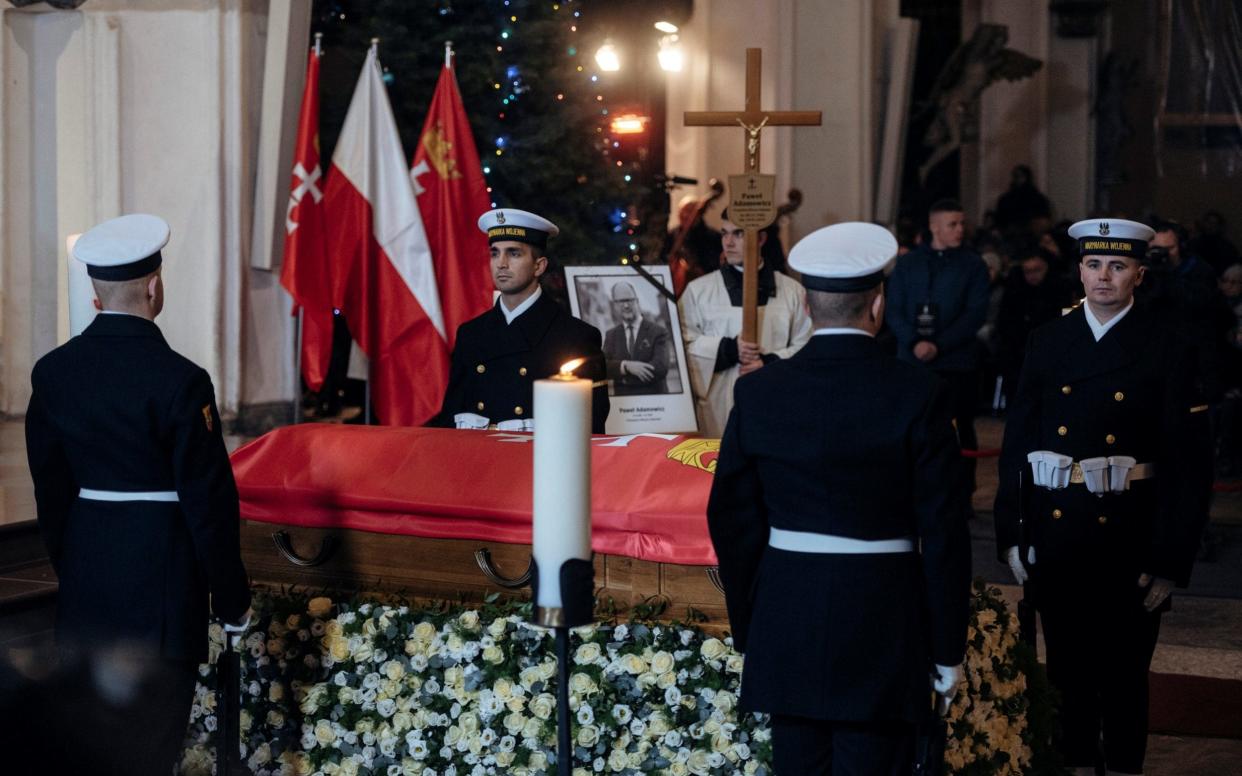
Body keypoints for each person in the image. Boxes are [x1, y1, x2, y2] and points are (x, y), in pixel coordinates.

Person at [708, 222, 970, 775]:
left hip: (787, 611)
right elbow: (944, 530)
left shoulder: (757, 393)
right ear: (878, 305)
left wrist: (751, 625)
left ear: (804, 304)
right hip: (883, 616)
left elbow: (732, 519)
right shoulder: (919, 392)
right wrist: (947, 647)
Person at [24, 214, 251, 775]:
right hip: (163, 590)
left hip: (87, 584)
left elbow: (50, 491)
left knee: (87, 749)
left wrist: (72, 564)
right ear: (154, 286)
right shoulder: (181, 379)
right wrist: (229, 596)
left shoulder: (53, 373)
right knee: (152, 748)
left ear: (96, 296)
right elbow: (208, 503)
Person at [994, 218, 1212, 776]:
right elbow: (1018, 444)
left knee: (1122, 678)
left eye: (1117, 266)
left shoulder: (1166, 343)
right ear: (1080, 269)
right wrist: (1015, 533)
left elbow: (1188, 465)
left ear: (1139, 273)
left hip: (1130, 541)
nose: (1103, 277)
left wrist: (1169, 560)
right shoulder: (1048, 339)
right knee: (1066, 674)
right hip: (1059, 535)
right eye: (1093, 264)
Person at [431, 208, 609, 433]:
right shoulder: (471, 334)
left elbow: (590, 430)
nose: (501, 263)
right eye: (495, 253)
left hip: (537, 466)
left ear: (539, 266)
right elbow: (449, 421)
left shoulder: (575, 337)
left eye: (514, 253)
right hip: (477, 462)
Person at [886, 199, 991, 516]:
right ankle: (911, 490)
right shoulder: (907, 264)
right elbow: (894, 308)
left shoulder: (973, 265)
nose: (960, 229)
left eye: (961, 224)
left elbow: (975, 314)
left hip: (955, 362)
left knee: (961, 429)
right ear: (934, 226)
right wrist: (914, 341)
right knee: (910, 428)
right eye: (952, 224)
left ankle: (962, 496)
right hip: (912, 361)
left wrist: (938, 345)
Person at [678, 209, 812, 437]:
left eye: (738, 234)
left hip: (774, 403)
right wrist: (728, 349)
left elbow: (808, 346)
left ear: (761, 239)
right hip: (717, 409)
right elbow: (682, 345)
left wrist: (770, 362)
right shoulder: (698, 291)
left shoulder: (792, 292)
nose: (728, 243)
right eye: (724, 234)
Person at [602, 281, 670, 395]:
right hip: (624, 406)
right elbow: (603, 367)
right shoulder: (611, 335)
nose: (626, 305)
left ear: (637, 301)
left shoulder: (659, 332)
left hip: (655, 403)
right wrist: (626, 366)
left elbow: (660, 368)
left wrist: (623, 376)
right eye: (621, 301)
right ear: (614, 305)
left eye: (629, 300)